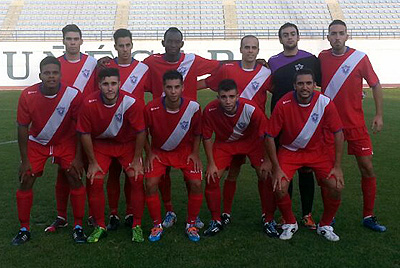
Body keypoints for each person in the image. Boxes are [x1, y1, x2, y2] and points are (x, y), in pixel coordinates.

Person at [142, 27, 220, 228]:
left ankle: (193, 217)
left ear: (182, 43)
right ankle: (169, 211)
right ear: (163, 42)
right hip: (162, 122)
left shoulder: (191, 60)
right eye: (170, 41)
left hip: (187, 123)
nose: (173, 45)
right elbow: (133, 71)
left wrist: (200, 84)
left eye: (177, 41)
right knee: (163, 174)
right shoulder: (151, 62)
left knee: (191, 176)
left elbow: (220, 66)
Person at [198, 35, 275, 235]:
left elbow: (281, 91)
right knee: (222, 175)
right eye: (246, 47)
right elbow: (207, 82)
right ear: (240, 49)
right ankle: (221, 216)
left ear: (258, 50)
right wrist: (179, 92)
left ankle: (268, 217)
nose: (250, 51)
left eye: (254, 47)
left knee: (264, 174)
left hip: (253, 135)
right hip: (227, 137)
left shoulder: (265, 73)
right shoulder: (227, 69)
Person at [319, 19, 386, 232]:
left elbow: (375, 85)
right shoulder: (321, 57)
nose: (337, 37)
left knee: (366, 168)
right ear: (328, 37)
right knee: (328, 171)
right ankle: (330, 216)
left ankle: (368, 215)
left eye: (341, 33)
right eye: (333, 33)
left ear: (347, 36)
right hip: (329, 125)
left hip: (355, 124)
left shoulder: (360, 58)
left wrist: (378, 114)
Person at [13, 56, 86, 245]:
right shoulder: (27, 95)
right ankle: (24, 229)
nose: (51, 77)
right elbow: (22, 127)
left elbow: (79, 128)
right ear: (40, 75)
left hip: (65, 141)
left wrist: (78, 157)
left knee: (74, 176)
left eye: (55, 73)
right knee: (26, 178)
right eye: (47, 73)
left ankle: (78, 226)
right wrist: (24, 160)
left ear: (61, 75)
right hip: (38, 142)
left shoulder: (73, 94)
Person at [265, 68, 344, 241]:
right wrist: (276, 168)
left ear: (315, 85)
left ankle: (325, 224)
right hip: (290, 151)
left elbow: (338, 132)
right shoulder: (283, 104)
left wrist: (337, 166)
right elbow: (269, 136)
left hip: (318, 152)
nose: (305, 87)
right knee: (279, 187)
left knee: (336, 186)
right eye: (300, 83)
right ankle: (291, 222)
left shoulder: (324, 102)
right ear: (294, 85)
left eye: (309, 83)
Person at [77, 68, 146, 243]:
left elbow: (140, 132)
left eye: (113, 84)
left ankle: (136, 225)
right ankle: (100, 226)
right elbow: (84, 133)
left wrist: (138, 160)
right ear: (99, 85)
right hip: (101, 145)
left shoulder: (131, 102)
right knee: (95, 179)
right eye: (106, 84)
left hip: (126, 145)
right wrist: (92, 162)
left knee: (137, 177)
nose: (110, 88)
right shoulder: (89, 102)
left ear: (120, 85)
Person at [267, 22, 321, 229]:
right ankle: (284, 214)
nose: (289, 38)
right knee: (283, 168)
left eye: (292, 34)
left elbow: (320, 85)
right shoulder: (273, 62)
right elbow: (271, 86)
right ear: (280, 39)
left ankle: (307, 214)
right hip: (282, 121)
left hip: (307, 121)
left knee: (306, 169)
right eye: (285, 35)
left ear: (298, 37)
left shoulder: (310, 59)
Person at [46, 24, 98, 233]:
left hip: (88, 126)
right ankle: (61, 216)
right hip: (63, 128)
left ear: (82, 41)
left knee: (91, 170)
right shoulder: (56, 65)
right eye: (69, 39)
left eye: (76, 39)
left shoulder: (92, 64)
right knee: (64, 171)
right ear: (63, 41)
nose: (72, 42)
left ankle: (94, 215)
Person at [202, 79, 270, 236]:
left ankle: (268, 218)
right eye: (223, 97)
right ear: (218, 97)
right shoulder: (210, 110)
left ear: (238, 96)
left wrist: (266, 160)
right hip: (225, 144)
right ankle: (218, 218)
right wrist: (211, 164)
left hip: (251, 142)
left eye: (231, 96)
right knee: (212, 178)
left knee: (265, 175)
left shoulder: (251, 109)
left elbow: (265, 135)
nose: (227, 101)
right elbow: (206, 137)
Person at [144, 70, 203, 242]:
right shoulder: (151, 108)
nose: (173, 91)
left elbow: (198, 132)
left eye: (177, 87)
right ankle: (158, 224)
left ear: (183, 87)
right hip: (159, 152)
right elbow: (142, 132)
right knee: (150, 183)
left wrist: (195, 153)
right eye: (169, 87)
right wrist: (148, 153)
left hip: (184, 151)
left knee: (196, 183)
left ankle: (191, 223)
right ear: (163, 88)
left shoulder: (193, 107)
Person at [101, 28, 150, 231]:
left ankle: (130, 212)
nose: (124, 49)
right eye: (120, 46)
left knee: (133, 174)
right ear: (115, 47)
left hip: (132, 131)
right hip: (110, 130)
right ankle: (113, 213)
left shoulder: (143, 69)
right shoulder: (106, 67)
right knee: (112, 174)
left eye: (127, 45)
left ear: (132, 45)